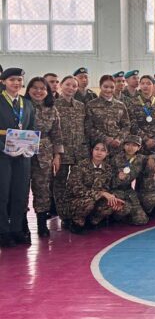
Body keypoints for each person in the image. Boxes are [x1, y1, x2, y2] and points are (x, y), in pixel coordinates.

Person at [0, 68, 36, 247]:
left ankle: (16, 229)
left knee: (20, 194)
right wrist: (4, 147)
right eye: (12, 79)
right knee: (2, 194)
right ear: (3, 82)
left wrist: (31, 148)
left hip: (22, 155)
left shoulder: (27, 103)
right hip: (2, 156)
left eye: (19, 80)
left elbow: (31, 127)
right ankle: (3, 232)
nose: (16, 83)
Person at [25, 77, 63, 237]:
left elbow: (57, 134)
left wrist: (57, 155)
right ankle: (22, 225)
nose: (38, 91)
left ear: (47, 92)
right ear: (28, 89)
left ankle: (42, 224)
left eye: (43, 88)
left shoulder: (51, 109)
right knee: (21, 190)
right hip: (22, 153)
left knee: (43, 190)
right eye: (35, 87)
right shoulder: (21, 106)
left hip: (44, 155)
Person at [66, 142, 126, 234]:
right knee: (89, 202)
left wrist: (113, 197)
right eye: (96, 149)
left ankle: (92, 221)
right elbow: (76, 189)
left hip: (96, 199)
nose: (99, 152)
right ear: (92, 150)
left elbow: (107, 187)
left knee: (111, 202)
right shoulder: (80, 166)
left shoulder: (108, 168)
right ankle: (76, 222)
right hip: (76, 200)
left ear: (107, 153)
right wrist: (101, 193)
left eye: (103, 150)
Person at [53, 75, 88, 228]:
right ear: (61, 85)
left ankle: (77, 214)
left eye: (74, 86)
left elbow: (85, 128)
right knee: (60, 184)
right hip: (61, 152)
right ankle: (64, 215)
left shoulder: (80, 106)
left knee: (78, 184)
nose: (71, 88)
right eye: (68, 84)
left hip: (79, 152)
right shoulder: (53, 104)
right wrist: (55, 153)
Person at [108, 135, 149, 225]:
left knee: (141, 220)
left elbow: (153, 158)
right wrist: (118, 179)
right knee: (121, 211)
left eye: (134, 145)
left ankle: (127, 215)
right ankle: (114, 217)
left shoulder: (142, 159)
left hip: (129, 191)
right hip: (115, 190)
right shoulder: (115, 159)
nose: (130, 148)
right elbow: (108, 181)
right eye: (127, 144)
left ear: (139, 147)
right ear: (123, 146)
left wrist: (152, 159)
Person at [85, 75, 131, 151]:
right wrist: (105, 138)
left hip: (117, 147)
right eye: (105, 87)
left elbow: (126, 126)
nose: (109, 90)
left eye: (112, 87)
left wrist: (119, 139)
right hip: (98, 148)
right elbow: (88, 127)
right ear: (100, 86)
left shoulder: (120, 105)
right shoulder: (91, 105)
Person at [127, 75, 155, 154]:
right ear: (140, 85)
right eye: (143, 83)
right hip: (138, 143)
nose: (145, 86)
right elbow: (132, 123)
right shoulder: (132, 102)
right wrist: (146, 139)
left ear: (153, 85)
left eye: (148, 83)